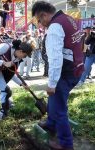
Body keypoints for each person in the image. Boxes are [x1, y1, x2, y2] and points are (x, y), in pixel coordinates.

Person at [32, 1, 84, 150]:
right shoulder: (68, 19)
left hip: (65, 73)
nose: (41, 24)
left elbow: (55, 60)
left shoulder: (54, 27)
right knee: (53, 100)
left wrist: (52, 83)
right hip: (76, 68)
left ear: (43, 15)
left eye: (40, 20)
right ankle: (51, 123)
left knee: (59, 108)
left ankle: (65, 144)